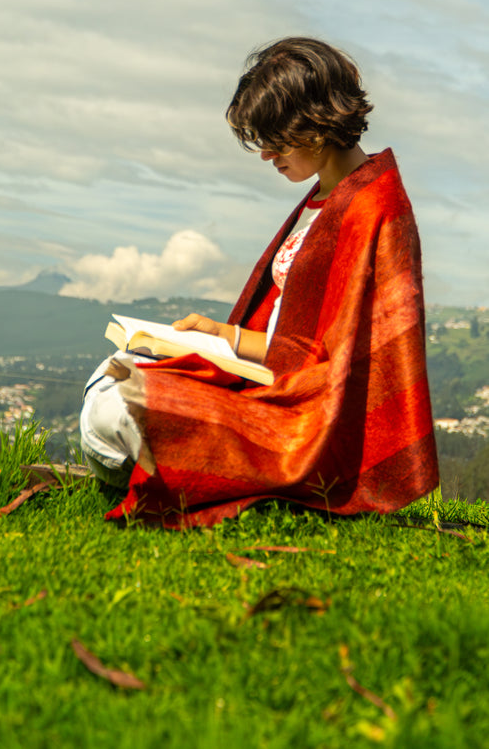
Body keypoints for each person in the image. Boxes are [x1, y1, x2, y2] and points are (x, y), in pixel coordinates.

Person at [80, 37, 439, 528]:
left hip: (307, 418)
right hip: (269, 386)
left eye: (277, 138)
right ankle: (183, 465)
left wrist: (233, 353)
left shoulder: (375, 208)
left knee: (117, 406)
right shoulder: (323, 199)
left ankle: (207, 471)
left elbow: (342, 369)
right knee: (117, 369)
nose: (267, 154)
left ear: (316, 124)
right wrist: (218, 336)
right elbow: (289, 339)